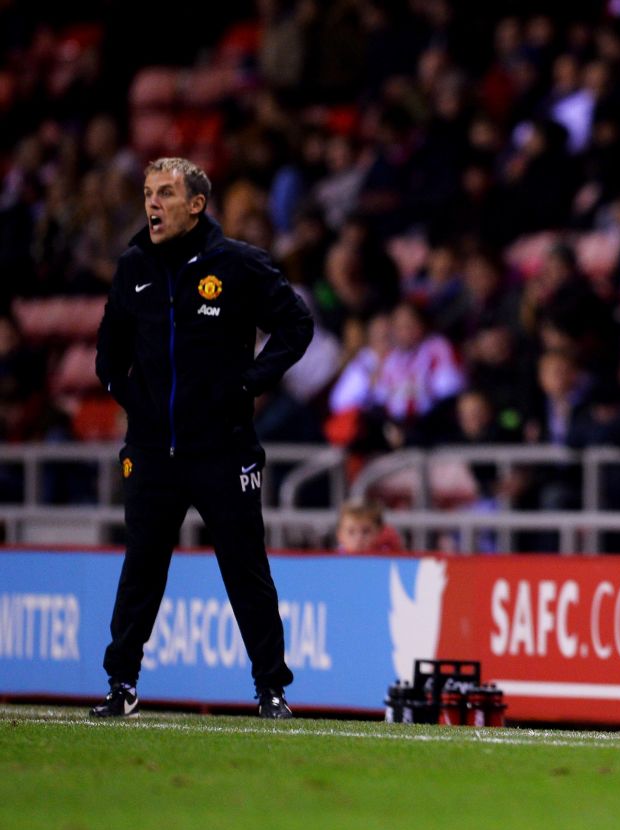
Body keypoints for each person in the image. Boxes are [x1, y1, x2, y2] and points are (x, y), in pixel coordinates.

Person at [92, 158, 314, 720]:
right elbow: (107, 356)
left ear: (196, 204)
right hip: (151, 452)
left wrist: (251, 383)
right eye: (147, 193)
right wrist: (133, 401)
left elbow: (296, 325)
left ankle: (271, 689)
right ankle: (122, 685)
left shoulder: (238, 265)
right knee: (142, 566)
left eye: (165, 193)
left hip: (224, 449)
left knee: (245, 568)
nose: (152, 204)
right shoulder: (133, 268)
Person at [335, 497, 405, 554]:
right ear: (340, 535)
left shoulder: (389, 557)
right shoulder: (334, 561)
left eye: (366, 531)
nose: (359, 538)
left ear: (379, 533)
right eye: (351, 532)